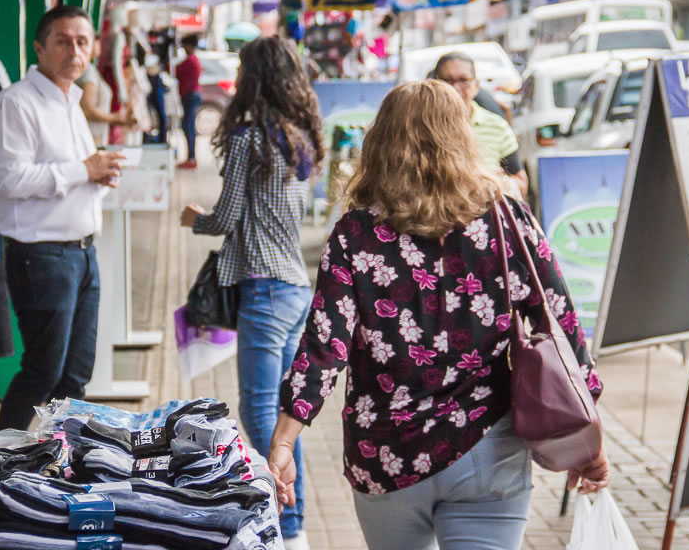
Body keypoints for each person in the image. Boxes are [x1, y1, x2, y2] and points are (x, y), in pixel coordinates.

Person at [267, 80, 609, 550]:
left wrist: (285, 441)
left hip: (386, 452)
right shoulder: (506, 218)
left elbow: (325, 345)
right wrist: (588, 439)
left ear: (381, 142)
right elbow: (562, 324)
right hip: (488, 446)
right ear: (463, 137)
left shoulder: (355, 234)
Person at [180, 36, 325, 549]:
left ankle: (283, 528)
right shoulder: (300, 137)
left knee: (261, 410)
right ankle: (296, 525)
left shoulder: (248, 140)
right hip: (294, 288)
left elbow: (227, 215)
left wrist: (195, 220)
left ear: (253, 79)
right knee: (287, 414)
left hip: (263, 290)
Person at [0, 5, 126, 431]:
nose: (74, 50)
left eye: (82, 41)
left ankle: (56, 465)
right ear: (39, 47)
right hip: (41, 255)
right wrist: (85, 170)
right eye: (63, 41)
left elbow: (66, 172)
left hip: (83, 254)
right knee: (42, 372)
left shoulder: (71, 102)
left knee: (75, 377)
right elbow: (9, 179)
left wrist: (97, 175)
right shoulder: (17, 103)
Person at [433, 52, 528, 197]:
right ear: (434, 85)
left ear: (476, 85)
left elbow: (521, 184)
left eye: (463, 80)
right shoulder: (425, 127)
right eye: (447, 81)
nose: (455, 88)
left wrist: (493, 182)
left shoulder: (497, 126)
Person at [78, 38, 132, 147]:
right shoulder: (88, 72)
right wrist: (115, 118)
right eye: (96, 39)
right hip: (91, 137)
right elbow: (87, 110)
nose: (100, 44)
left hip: (96, 136)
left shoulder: (91, 70)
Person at [176, 33, 202, 169]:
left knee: (188, 127)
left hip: (190, 96)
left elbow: (175, 70)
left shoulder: (190, 61)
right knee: (189, 127)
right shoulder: (193, 60)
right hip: (192, 96)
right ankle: (191, 157)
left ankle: (191, 158)